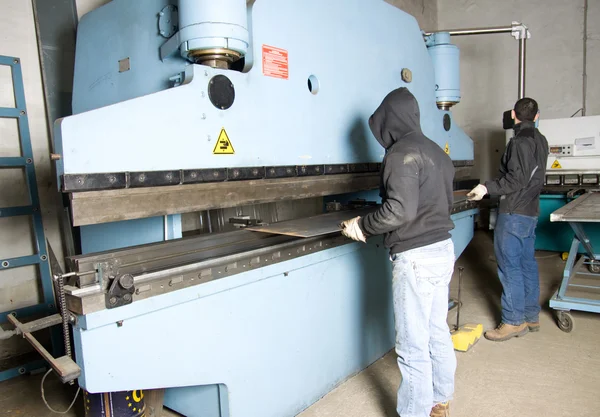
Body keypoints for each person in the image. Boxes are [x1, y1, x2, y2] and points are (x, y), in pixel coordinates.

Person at [341, 87, 457, 417]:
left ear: (389, 121)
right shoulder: (438, 152)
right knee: (437, 330)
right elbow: (441, 204)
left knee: (411, 345)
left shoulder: (400, 154)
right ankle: (441, 401)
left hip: (416, 258)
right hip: (441, 250)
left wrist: (361, 225)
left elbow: (399, 212)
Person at [467, 97, 549, 342]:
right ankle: (530, 315)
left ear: (513, 115)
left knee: (510, 266)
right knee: (526, 263)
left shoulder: (519, 142)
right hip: (531, 211)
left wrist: (485, 188)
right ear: (536, 116)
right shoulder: (541, 140)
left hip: (513, 212)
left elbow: (516, 180)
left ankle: (513, 321)